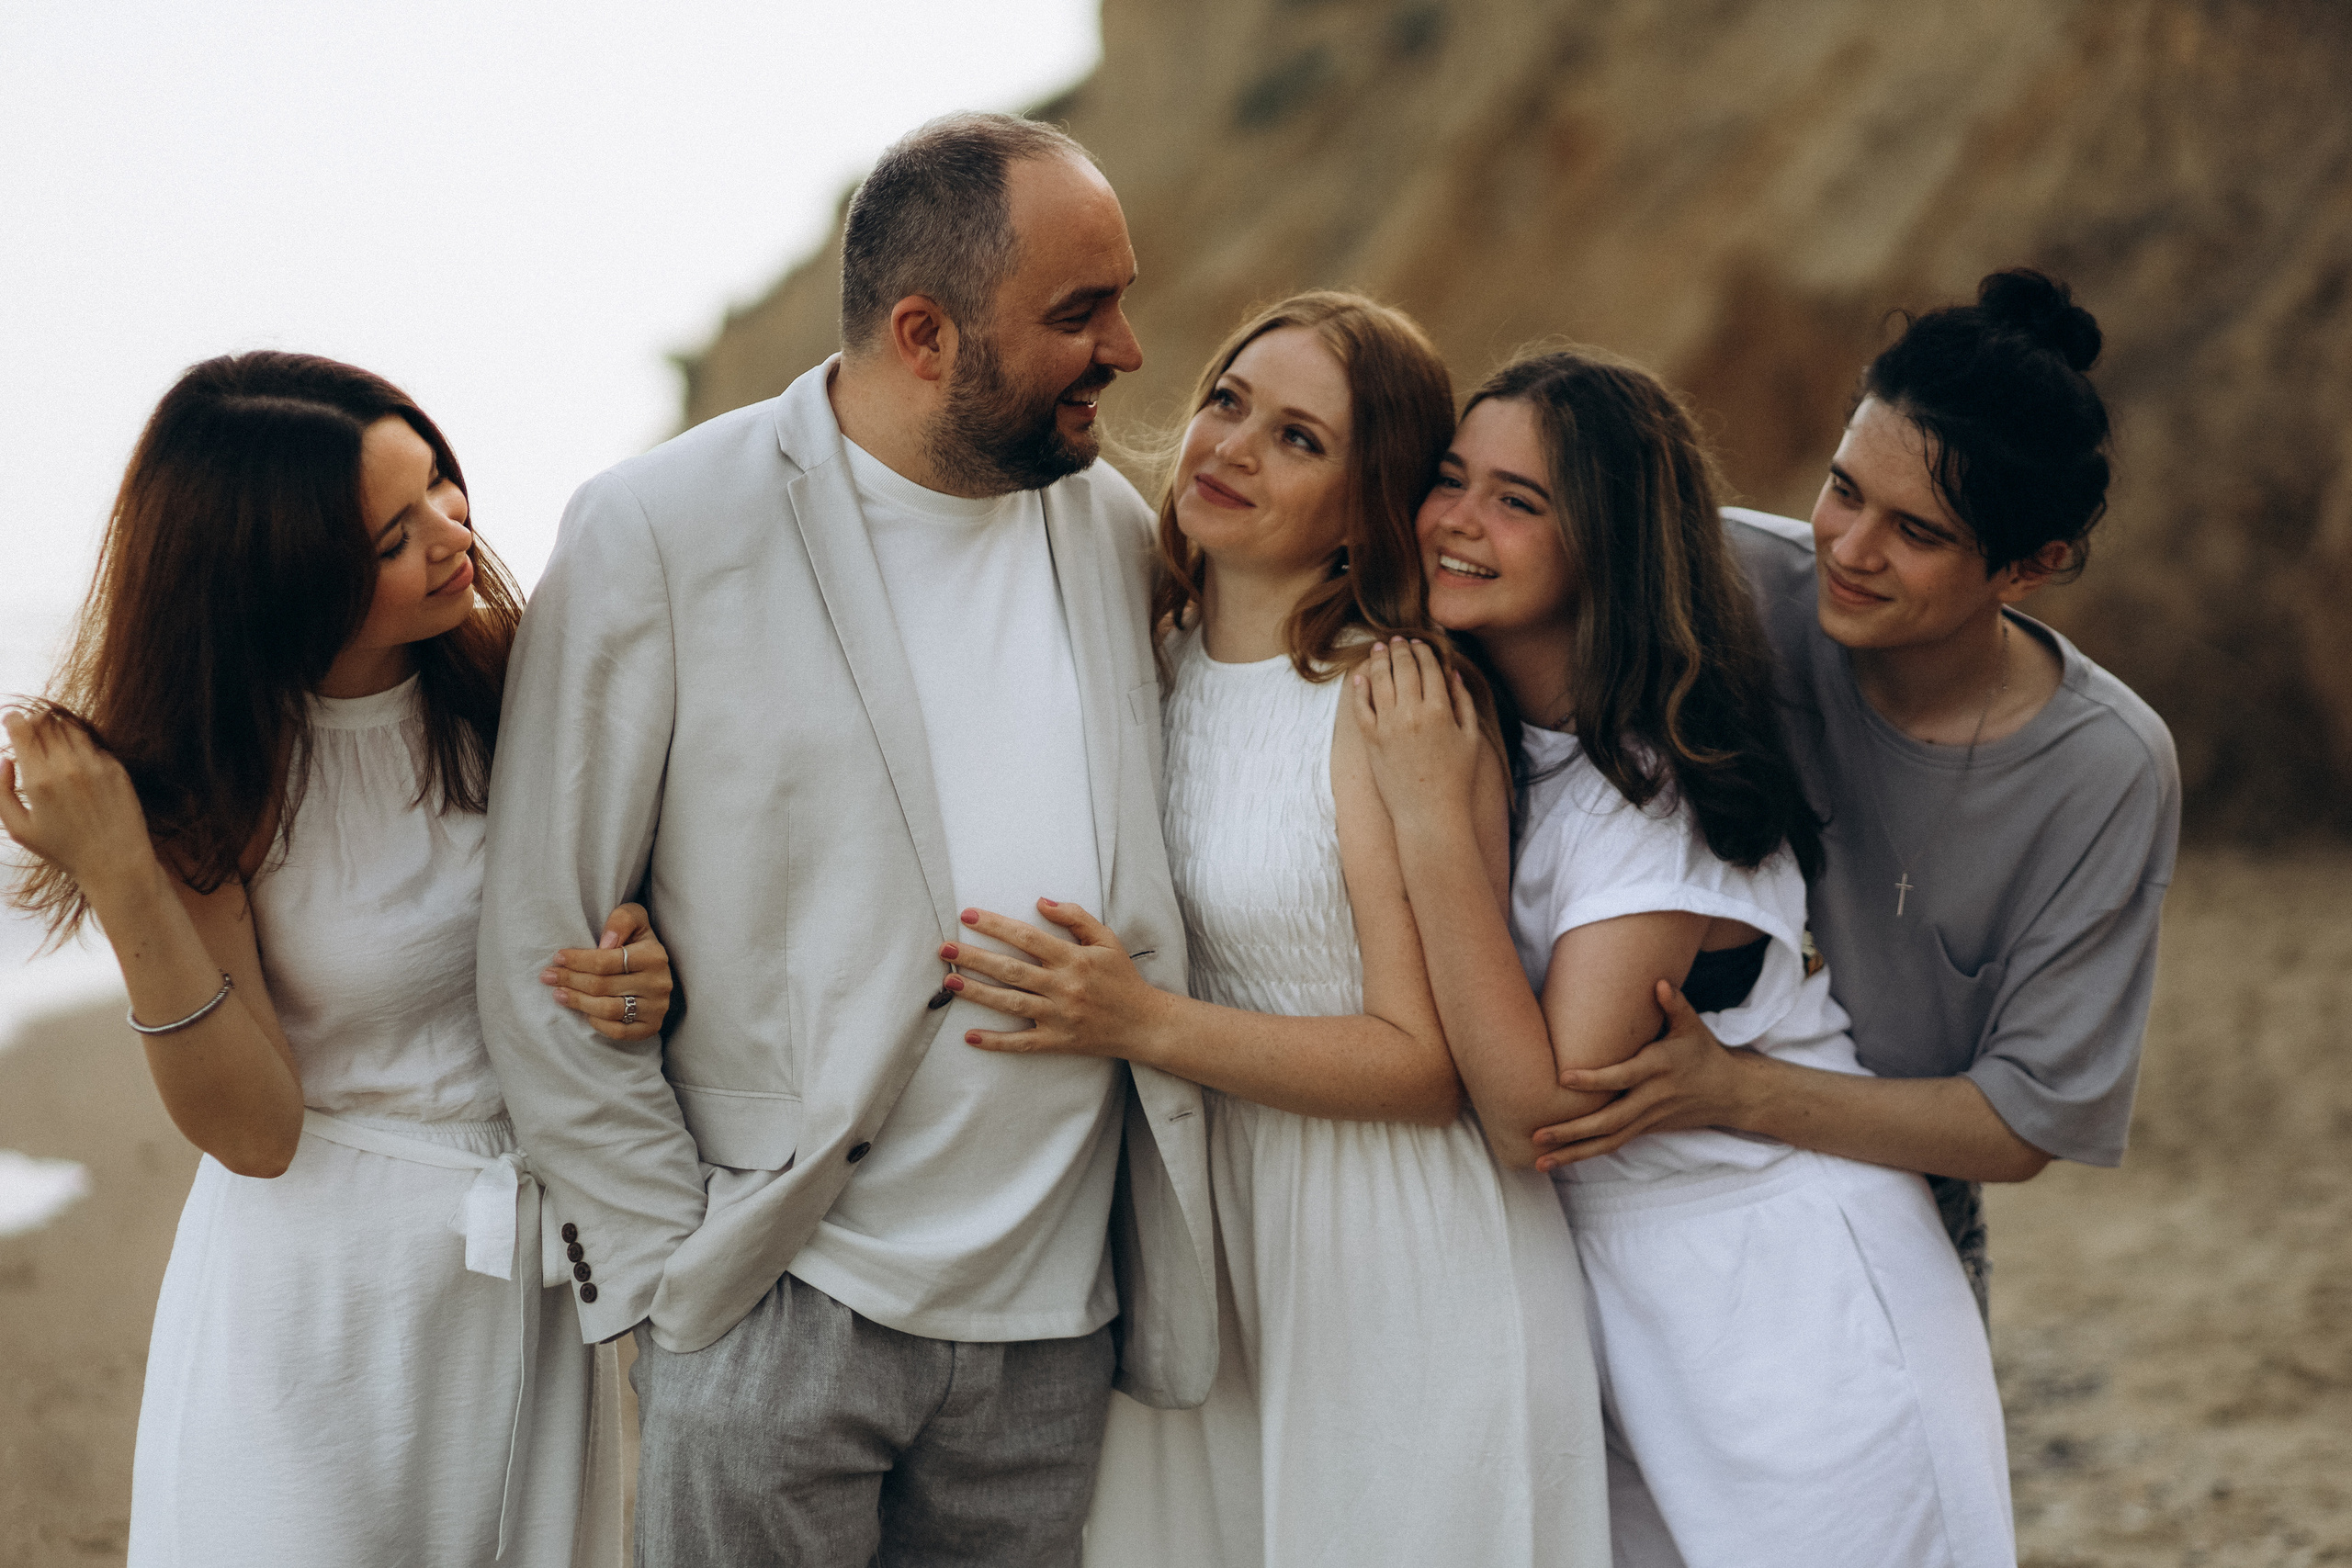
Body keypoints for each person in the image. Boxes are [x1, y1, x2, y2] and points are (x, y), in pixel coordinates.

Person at [473, 112, 1216, 1567]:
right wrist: (680, 1272)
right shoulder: (661, 528)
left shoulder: (1111, 530)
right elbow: (542, 938)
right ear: (927, 332)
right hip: (777, 1296)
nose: (1129, 349)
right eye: (1081, 312)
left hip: (1057, 1323)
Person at [933, 292, 1608, 1568]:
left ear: (1370, 505)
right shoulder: (1142, 658)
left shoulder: (1394, 698)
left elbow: (1425, 1063)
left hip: (1393, 1251)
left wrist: (1137, 1019)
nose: (1232, 445)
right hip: (1204, 1241)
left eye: (1300, 438)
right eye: (1229, 401)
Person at [0, 350, 674, 1566]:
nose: (449, 535)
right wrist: (120, 868)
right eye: (386, 540)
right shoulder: (209, 785)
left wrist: (645, 974)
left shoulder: (522, 680)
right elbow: (254, 1129)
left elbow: (644, 907)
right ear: (275, 583)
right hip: (313, 1313)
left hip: (519, 1278)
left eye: (439, 486)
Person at [1353, 346, 2016, 1566]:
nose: (1458, 519)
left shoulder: (1661, 789)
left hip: (1790, 1302)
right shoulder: (1489, 731)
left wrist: (1437, 826)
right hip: (1616, 1304)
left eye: (1519, 500)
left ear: (1606, 541)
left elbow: (1540, 1115)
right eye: (1453, 478)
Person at [1532, 271, 2182, 1319]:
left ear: (2031, 565)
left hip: (1890, 1209)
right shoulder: (1725, 579)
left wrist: (1737, 1094)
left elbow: (2021, 1125)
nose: (1848, 547)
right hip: (1621, 1187)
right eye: (1843, 488)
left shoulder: (2103, 770)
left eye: (1916, 534)